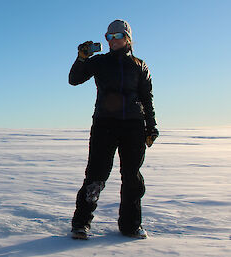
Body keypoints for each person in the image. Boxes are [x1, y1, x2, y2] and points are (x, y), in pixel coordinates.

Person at [68, 19, 159, 240]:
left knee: (132, 177)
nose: (113, 41)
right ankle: (81, 224)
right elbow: (74, 80)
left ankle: (130, 226)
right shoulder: (99, 62)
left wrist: (151, 126)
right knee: (96, 176)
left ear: (127, 38)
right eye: (109, 37)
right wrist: (82, 59)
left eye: (117, 36)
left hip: (134, 126)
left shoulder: (139, 65)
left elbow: (147, 98)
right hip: (104, 125)